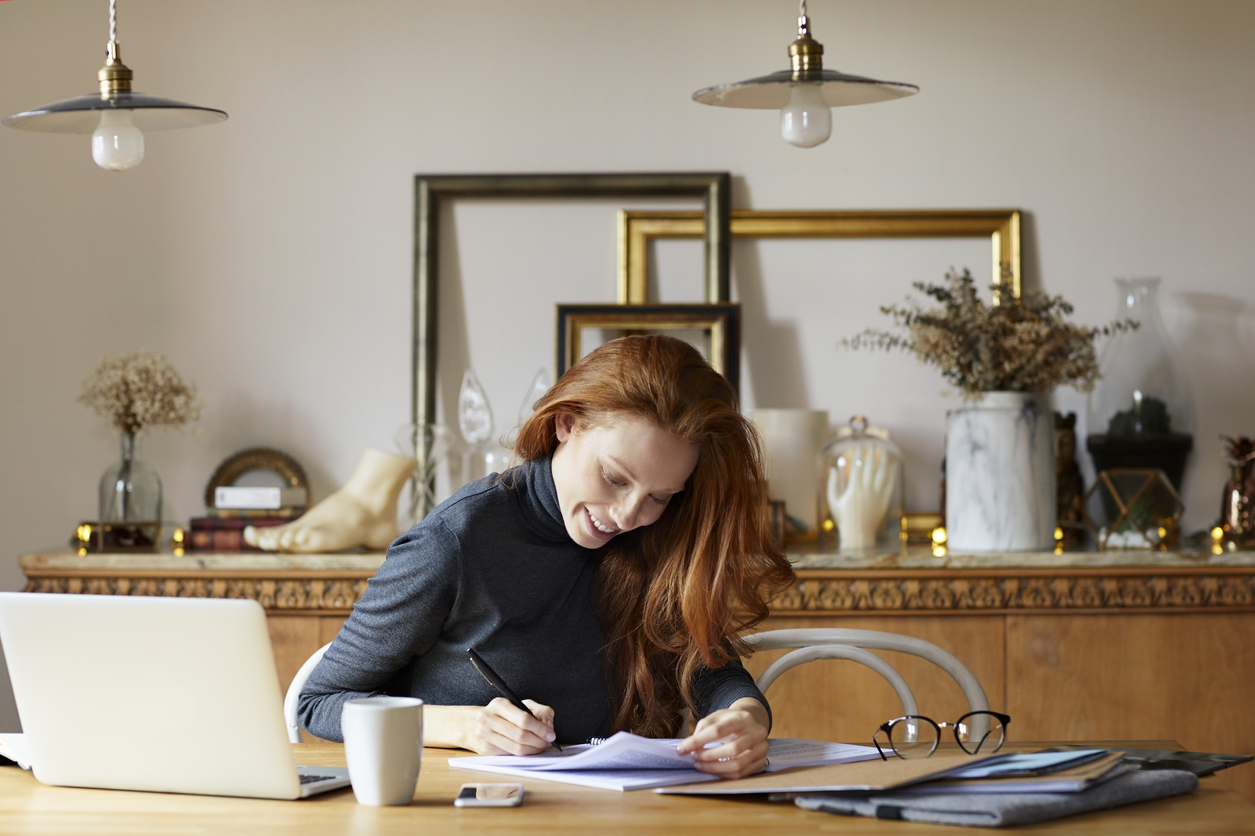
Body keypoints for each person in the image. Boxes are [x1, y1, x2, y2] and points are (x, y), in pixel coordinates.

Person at [298, 335, 795, 779]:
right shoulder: (456, 539)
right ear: (566, 423)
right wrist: (469, 726)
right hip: (465, 814)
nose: (626, 514)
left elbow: (712, 669)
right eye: (615, 478)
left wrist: (745, 719)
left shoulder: (661, 532)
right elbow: (319, 703)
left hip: (613, 812)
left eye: (659, 495)